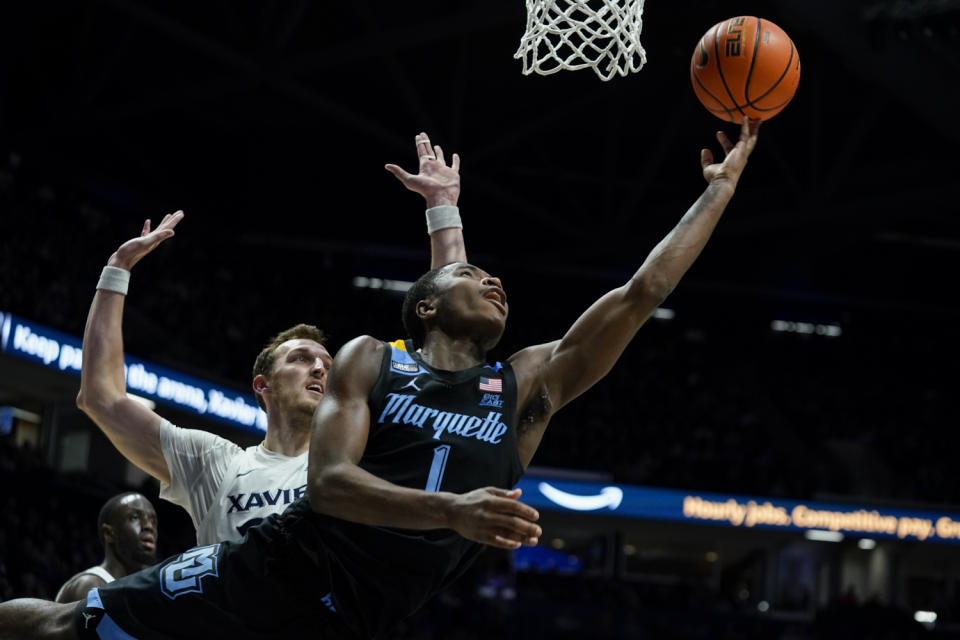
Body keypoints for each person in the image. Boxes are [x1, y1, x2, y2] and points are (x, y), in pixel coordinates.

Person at [0, 118, 759, 639]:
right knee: (71, 620)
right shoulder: (369, 360)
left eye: (497, 277)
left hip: (353, 617)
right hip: (269, 572)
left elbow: (639, 296)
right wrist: (454, 512)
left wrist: (718, 191)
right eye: (476, 275)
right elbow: (334, 478)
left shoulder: (524, 387)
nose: (496, 280)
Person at [74, 133, 468, 546]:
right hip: (231, 611)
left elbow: (446, 342)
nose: (320, 367)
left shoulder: (358, 458)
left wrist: (443, 208)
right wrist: (116, 269)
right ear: (263, 386)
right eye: (300, 359)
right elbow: (101, 397)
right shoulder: (214, 464)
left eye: (328, 366)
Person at [54, 493, 159, 604]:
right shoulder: (90, 587)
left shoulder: (150, 591)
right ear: (109, 533)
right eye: (134, 518)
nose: (148, 526)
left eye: (153, 521)